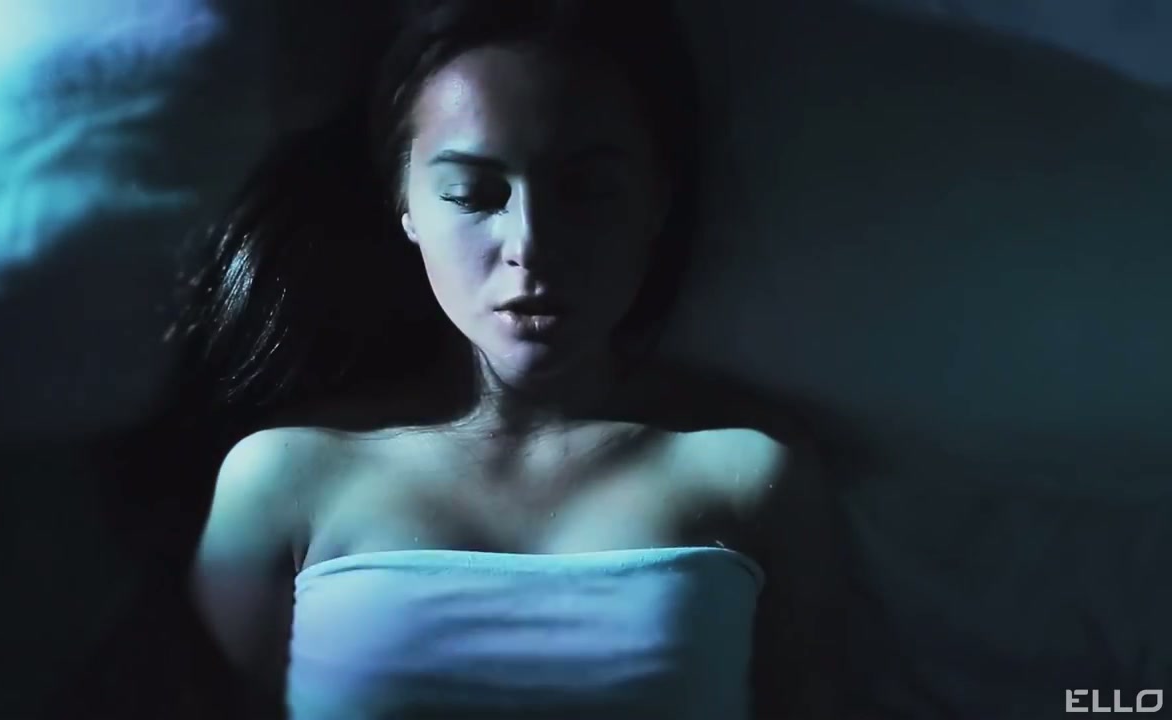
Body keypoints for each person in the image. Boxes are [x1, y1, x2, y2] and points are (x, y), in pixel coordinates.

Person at [179, 2, 839, 718]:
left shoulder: (749, 473)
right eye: (472, 194)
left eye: (586, 190)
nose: (531, 244)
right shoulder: (285, 478)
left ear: (657, 198)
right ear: (405, 203)